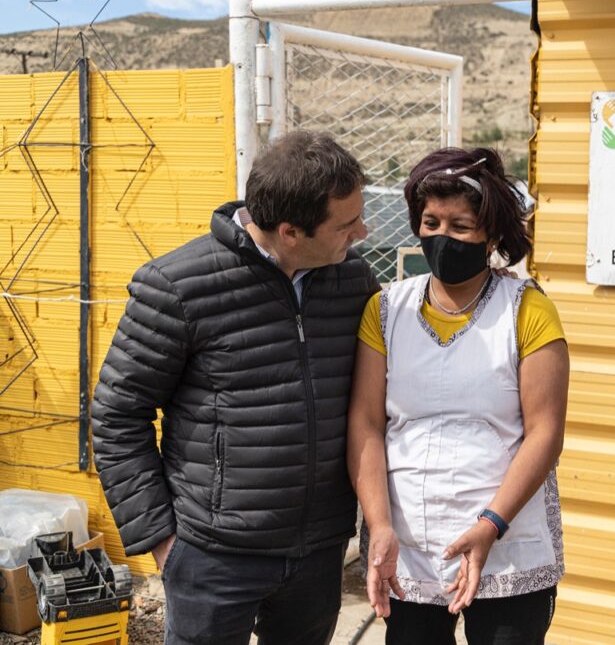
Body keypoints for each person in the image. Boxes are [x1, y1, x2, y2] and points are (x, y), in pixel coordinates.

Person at [90, 130, 377, 645]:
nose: (362, 231)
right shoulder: (177, 286)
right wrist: (163, 541)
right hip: (212, 558)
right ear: (290, 231)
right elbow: (116, 415)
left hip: (318, 552)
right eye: (347, 223)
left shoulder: (351, 280)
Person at [348, 147, 570, 645]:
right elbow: (366, 424)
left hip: (508, 544)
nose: (442, 237)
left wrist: (491, 524)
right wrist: (379, 525)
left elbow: (545, 433)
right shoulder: (385, 310)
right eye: (431, 222)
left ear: (490, 235)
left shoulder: (527, 312)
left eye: (461, 226)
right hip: (411, 548)